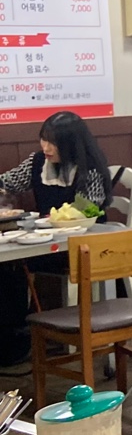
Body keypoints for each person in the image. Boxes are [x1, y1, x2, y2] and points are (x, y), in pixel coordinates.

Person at [0, 111, 112, 374]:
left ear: (71, 144)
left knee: (13, 266)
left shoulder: (90, 169)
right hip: (44, 243)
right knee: (7, 267)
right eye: (43, 139)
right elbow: (6, 182)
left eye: (53, 142)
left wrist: (52, 221)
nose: (46, 148)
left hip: (82, 247)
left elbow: (86, 213)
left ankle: (17, 340)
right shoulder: (38, 162)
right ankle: (11, 340)